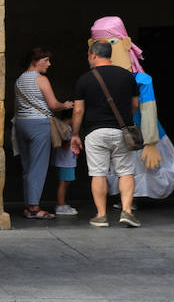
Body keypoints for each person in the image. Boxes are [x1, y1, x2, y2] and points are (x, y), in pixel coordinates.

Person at [89, 16, 174, 201]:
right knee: (126, 168)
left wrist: (150, 142)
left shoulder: (140, 79)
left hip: (137, 131)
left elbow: (148, 109)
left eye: (110, 43)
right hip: (124, 131)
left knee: (125, 168)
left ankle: (127, 202)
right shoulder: (120, 79)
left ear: (125, 43)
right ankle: (128, 203)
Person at [68, 39, 141, 228]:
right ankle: (126, 211)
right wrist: (124, 120)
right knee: (125, 172)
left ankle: (101, 215)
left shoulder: (84, 79)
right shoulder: (127, 76)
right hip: (121, 131)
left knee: (98, 173)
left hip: (95, 133)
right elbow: (135, 104)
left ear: (93, 55)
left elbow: (78, 111)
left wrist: (75, 134)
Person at [12, 47, 73, 219]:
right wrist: (66, 105)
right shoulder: (41, 79)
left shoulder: (19, 80)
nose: (49, 64)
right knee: (38, 167)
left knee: (27, 166)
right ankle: (34, 208)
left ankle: (28, 204)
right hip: (39, 124)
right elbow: (53, 105)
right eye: (45, 60)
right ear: (35, 61)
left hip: (22, 124)